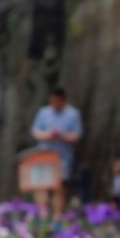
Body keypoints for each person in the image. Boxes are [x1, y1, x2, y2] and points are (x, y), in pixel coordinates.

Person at [30, 87, 83, 217]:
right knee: (41, 185)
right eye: (53, 100)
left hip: (62, 156)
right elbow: (35, 132)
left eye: (58, 101)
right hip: (44, 154)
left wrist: (62, 136)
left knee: (59, 187)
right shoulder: (43, 112)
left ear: (63, 100)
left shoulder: (73, 114)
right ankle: (43, 215)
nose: (55, 103)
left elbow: (77, 136)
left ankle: (57, 217)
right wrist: (48, 134)